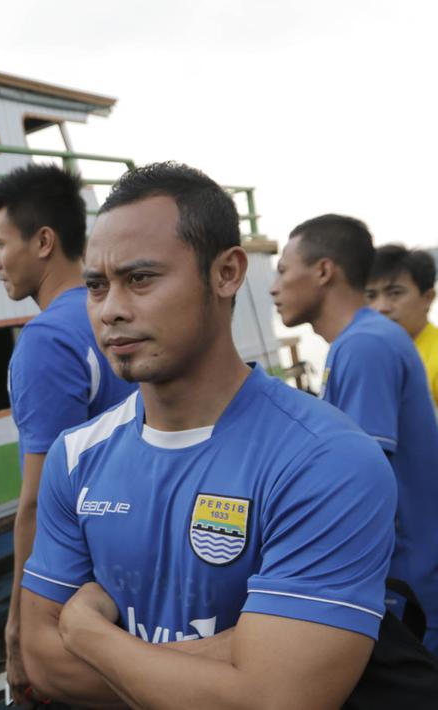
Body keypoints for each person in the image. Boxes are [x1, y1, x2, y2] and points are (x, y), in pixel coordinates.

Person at [20, 162, 398, 708]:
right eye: (97, 286)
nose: (112, 311)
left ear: (226, 273)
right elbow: (45, 664)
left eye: (141, 278)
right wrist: (231, 660)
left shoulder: (328, 460)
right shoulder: (75, 455)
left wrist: (87, 634)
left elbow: (274, 698)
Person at [0, 164, 135, 704]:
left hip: (78, 593)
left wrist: (20, 629)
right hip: (138, 573)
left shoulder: (45, 340)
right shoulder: (114, 316)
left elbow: (37, 499)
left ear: (43, 241)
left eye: (1, 243)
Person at [271, 214, 438, 653]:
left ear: (324, 271)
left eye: (283, 271)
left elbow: (359, 484)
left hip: (407, 585)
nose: (273, 287)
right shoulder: (362, 341)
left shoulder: (365, 346)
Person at [366, 244, 438, 406]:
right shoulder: (373, 354)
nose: (381, 307)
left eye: (395, 293)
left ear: (428, 297)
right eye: (371, 295)